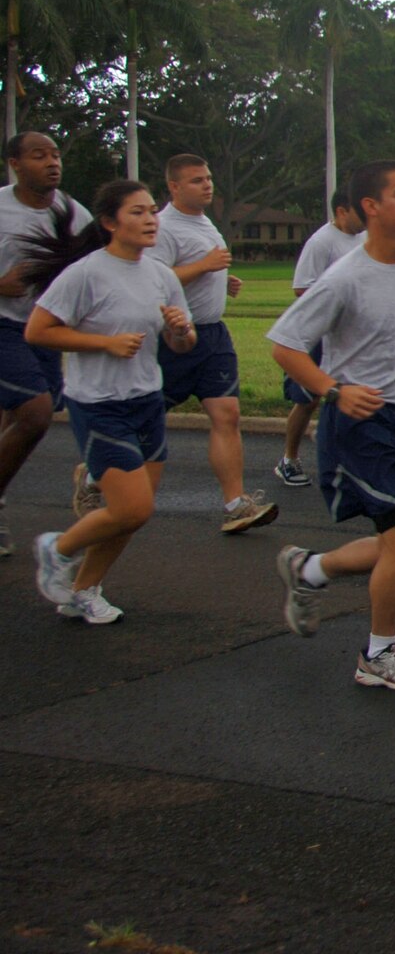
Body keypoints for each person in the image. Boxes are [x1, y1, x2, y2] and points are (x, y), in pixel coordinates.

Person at [271, 160, 395, 691]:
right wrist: (334, 390)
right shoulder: (344, 277)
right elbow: (286, 345)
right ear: (371, 206)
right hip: (359, 422)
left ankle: (310, 571)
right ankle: (379, 653)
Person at [27, 180, 195, 625]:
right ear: (109, 222)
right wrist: (104, 343)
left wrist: (181, 330)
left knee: (130, 516)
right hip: (99, 403)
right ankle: (57, 548)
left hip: (147, 400)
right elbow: (38, 330)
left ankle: (83, 591)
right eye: (137, 212)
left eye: (152, 211)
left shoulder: (160, 275)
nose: (150, 220)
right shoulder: (85, 273)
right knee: (132, 508)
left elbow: (183, 344)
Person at [144, 153, 276, 535]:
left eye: (208, 178)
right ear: (174, 186)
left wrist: (222, 281)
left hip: (213, 335)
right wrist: (204, 266)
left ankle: (236, 505)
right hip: (172, 338)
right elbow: (153, 281)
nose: (207, 185)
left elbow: (200, 268)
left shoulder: (204, 222)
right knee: (142, 417)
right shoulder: (164, 227)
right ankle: (94, 474)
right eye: (197, 180)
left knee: (227, 415)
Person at [0, 132, 90, 558]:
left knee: (23, 413)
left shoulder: (72, 213)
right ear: (15, 164)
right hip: (2, 324)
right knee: (34, 414)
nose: (52, 162)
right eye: (39, 156)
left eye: (55, 155)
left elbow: (96, 262)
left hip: (44, 328)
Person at [272, 196, 366, 489]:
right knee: (308, 399)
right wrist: (335, 305)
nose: (365, 217)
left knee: (353, 392)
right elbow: (302, 287)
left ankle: (339, 448)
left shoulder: (365, 238)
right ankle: (289, 459)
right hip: (318, 334)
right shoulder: (322, 242)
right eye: (359, 211)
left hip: (349, 335)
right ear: (342, 211)